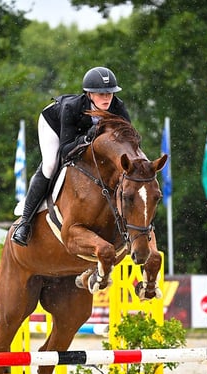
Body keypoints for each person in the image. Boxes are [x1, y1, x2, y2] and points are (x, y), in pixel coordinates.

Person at [11, 66, 131, 247]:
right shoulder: (71, 108)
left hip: (82, 137)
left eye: (110, 93)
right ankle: (25, 223)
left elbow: (128, 140)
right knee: (50, 165)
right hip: (54, 124)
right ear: (89, 94)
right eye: (101, 94)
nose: (107, 98)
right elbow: (65, 150)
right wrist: (87, 138)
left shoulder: (118, 108)